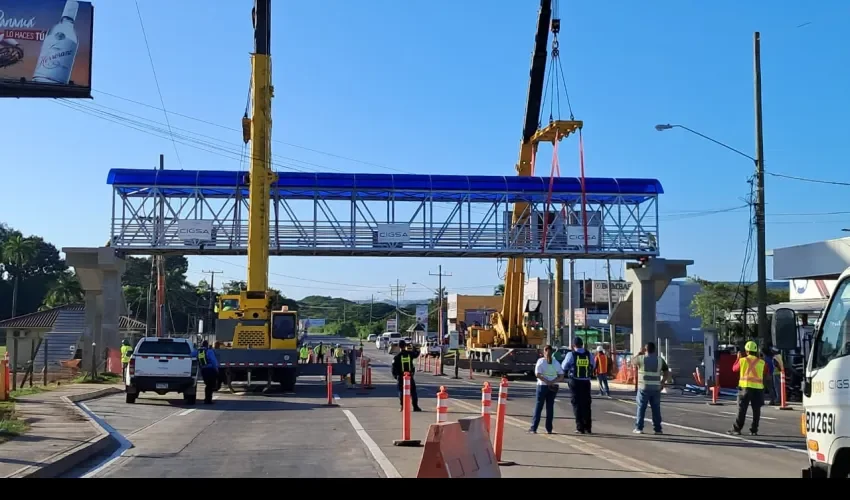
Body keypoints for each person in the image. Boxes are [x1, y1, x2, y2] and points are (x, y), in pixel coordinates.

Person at [728, 341, 766, 436]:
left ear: (747, 351)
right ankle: (754, 430)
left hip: (745, 388)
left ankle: (737, 429)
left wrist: (737, 358)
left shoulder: (742, 360)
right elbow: (767, 371)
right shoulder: (761, 362)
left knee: (742, 410)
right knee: (756, 410)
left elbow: (734, 369)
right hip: (758, 389)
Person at [631, 342, 669, 435]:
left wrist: (640, 352)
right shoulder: (660, 360)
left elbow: (632, 362)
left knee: (641, 408)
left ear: (645, 349)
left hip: (644, 387)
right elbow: (666, 371)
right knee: (656, 408)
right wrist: (662, 382)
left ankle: (639, 428)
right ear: (654, 350)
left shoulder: (641, 358)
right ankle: (658, 429)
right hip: (656, 388)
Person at [561, 337, 595, 434]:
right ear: (582, 344)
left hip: (575, 382)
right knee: (586, 404)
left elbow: (564, 366)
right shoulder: (589, 354)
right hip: (586, 382)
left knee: (577, 404)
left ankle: (580, 428)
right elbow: (593, 365)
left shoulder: (571, 354)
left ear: (573, 345)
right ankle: (588, 427)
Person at [528, 345, 564, 434]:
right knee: (550, 407)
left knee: (538, 407)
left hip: (542, 386)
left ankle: (534, 428)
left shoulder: (541, 361)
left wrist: (546, 381)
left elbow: (537, 374)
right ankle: (549, 429)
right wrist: (553, 381)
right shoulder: (556, 362)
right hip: (553, 387)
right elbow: (561, 376)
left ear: (544, 352)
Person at [391, 340, 422, 412]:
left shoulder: (397, 357)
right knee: (413, 391)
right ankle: (415, 407)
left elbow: (393, 368)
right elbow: (416, 354)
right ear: (405, 346)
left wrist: (396, 376)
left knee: (401, 391)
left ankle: (403, 406)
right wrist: (414, 347)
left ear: (399, 346)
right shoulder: (409, 354)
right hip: (409, 376)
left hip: (401, 376)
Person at [197, 340, 220, 405]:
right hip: (211, 370)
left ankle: (207, 399)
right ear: (207, 345)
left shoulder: (199, 351)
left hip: (204, 370)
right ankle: (208, 400)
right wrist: (216, 368)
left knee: (208, 385)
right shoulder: (209, 351)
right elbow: (213, 361)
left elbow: (191, 355)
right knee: (211, 386)